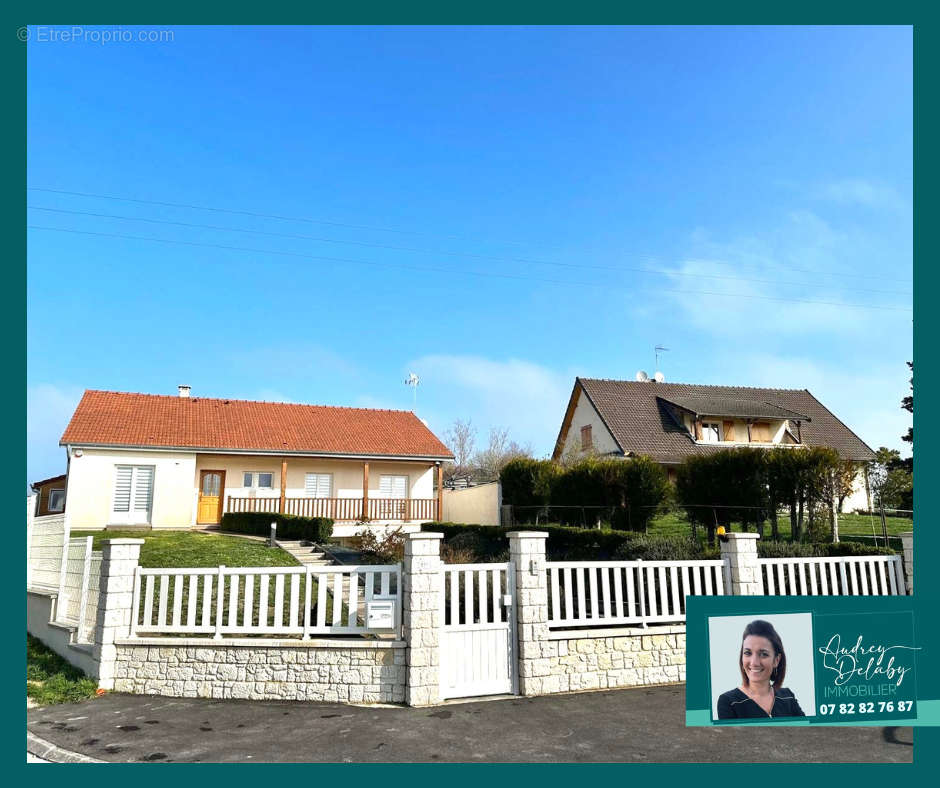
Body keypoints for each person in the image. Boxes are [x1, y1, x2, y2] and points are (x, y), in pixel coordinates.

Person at [717, 619, 805, 719]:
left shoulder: (788, 696)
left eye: (763, 654)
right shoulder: (729, 701)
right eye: (748, 653)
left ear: (776, 660)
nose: (754, 662)